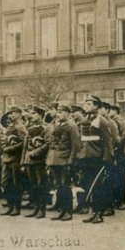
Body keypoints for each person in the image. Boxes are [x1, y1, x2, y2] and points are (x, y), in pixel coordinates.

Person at [78, 96, 114, 224]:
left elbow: (108, 141)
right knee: (88, 186)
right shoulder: (84, 119)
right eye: (85, 103)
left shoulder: (101, 121)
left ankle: (99, 213)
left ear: (96, 106)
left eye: (89, 104)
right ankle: (92, 211)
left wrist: (107, 158)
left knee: (98, 187)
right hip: (85, 158)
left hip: (97, 158)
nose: (85, 105)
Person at [46, 105, 81, 221]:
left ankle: (68, 212)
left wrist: (71, 161)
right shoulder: (55, 125)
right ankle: (62, 210)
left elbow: (75, 146)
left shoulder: (72, 126)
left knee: (65, 185)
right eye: (58, 112)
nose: (58, 114)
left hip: (65, 159)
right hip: (54, 159)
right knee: (58, 186)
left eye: (61, 112)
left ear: (67, 114)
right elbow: (51, 143)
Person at [22, 106, 49, 219]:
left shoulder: (46, 128)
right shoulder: (30, 129)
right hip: (29, 161)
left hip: (40, 161)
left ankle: (42, 210)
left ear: (40, 115)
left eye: (33, 113)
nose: (30, 116)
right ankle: (35, 208)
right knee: (32, 186)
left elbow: (47, 144)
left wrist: (35, 153)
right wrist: (23, 161)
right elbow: (25, 146)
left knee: (41, 185)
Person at [0, 107, 26, 216]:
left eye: (14, 113)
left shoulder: (20, 128)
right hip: (7, 159)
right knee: (5, 183)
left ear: (20, 114)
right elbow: (5, 141)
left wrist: (10, 149)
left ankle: (16, 207)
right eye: (10, 113)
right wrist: (4, 148)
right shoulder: (9, 127)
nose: (11, 115)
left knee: (16, 184)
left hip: (16, 158)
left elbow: (24, 143)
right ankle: (10, 206)